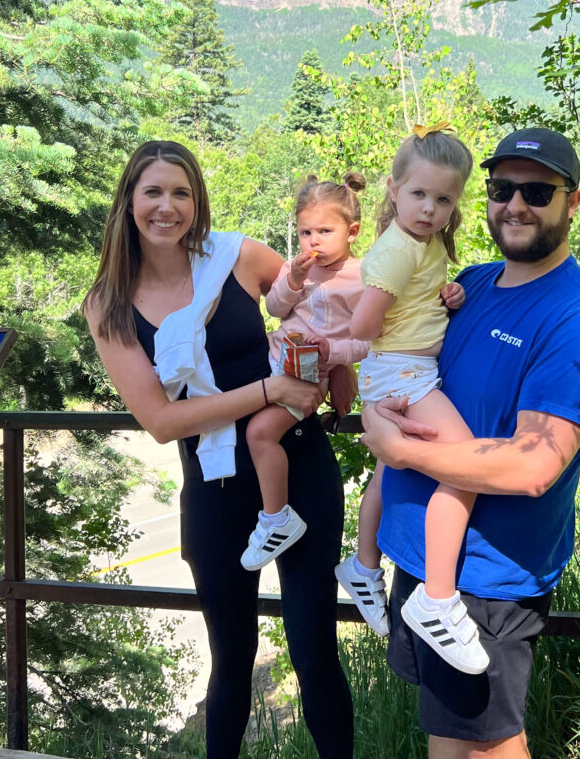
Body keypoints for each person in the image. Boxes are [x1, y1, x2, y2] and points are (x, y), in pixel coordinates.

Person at [83, 141, 353, 759]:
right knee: (231, 659)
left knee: (314, 652)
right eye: (153, 192)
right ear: (128, 201)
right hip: (215, 488)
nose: (167, 207)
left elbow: (323, 300)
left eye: (181, 192)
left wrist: (339, 364)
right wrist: (268, 389)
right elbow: (160, 421)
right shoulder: (108, 304)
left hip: (299, 466)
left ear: (197, 201)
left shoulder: (235, 257)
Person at [360, 127, 580, 759]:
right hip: (423, 564)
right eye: (503, 189)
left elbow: (536, 465)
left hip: (484, 582)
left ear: (573, 202)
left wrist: (401, 452)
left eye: (538, 192)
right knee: (447, 738)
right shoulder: (470, 286)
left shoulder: (579, 319)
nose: (516, 205)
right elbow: (398, 356)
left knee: (486, 748)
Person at [337, 125, 489, 675]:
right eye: (419, 194)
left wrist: (445, 297)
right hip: (404, 372)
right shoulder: (398, 251)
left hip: (404, 369)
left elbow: (416, 300)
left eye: (443, 199)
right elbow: (364, 326)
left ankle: (362, 565)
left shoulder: (424, 244)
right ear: (394, 188)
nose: (430, 208)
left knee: (386, 472)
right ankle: (436, 598)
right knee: (467, 467)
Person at [240, 173, 370, 570]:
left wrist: (336, 353)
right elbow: (275, 308)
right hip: (274, 358)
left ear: (352, 232)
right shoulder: (296, 269)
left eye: (325, 231)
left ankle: (277, 518)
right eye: (305, 232)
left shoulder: (364, 277)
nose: (314, 241)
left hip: (307, 377)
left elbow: (372, 340)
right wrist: (293, 279)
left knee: (259, 433)